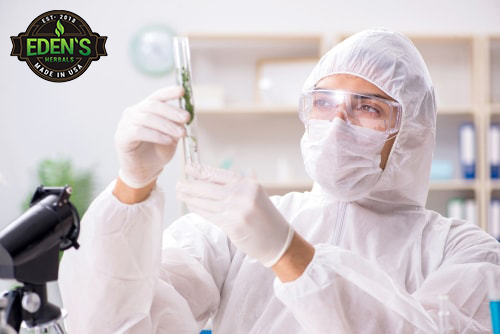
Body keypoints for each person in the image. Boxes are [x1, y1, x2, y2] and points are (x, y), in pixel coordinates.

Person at [59, 28, 500, 333]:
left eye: (368, 107)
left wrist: (289, 254)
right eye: (324, 103)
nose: (338, 121)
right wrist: (133, 187)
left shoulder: (463, 251)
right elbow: (118, 324)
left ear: (412, 133)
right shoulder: (240, 230)